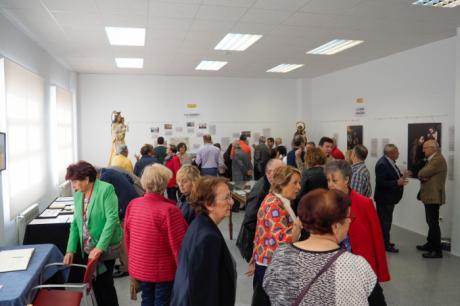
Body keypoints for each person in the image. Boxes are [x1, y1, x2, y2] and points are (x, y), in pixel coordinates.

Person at [264, 189, 378, 305]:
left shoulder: (281, 256)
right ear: (336, 226)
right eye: (348, 218)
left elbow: (268, 295)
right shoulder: (357, 266)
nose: (349, 222)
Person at [325, 160, 390, 305]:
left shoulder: (364, 203)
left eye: (334, 180)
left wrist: (379, 270)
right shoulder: (325, 203)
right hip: (335, 265)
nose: (330, 184)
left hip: (361, 262)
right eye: (328, 180)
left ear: (346, 179)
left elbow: (377, 238)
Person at [124, 164, 188, 306]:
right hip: (163, 271)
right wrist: (186, 274)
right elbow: (179, 247)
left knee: (147, 299)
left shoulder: (133, 205)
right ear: (164, 184)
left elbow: (128, 239)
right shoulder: (169, 210)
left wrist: (132, 265)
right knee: (162, 302)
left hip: (141, 268)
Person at [170, 176, 237, 306]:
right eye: (226, 198)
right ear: (208, 204)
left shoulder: (199, 224)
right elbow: (205, 293)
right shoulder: (208, 238)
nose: (232, 202)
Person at [64, 161, 122, 306]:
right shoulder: (78, 195)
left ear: (87, 179)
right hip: (89, 248)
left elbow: (112, 220)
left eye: (75, 181)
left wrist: (100, 247)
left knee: (105, 284)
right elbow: (75, 224)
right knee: (95, 285)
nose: (73, 185)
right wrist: (70, 250)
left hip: (106, 247)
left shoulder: (106, 189)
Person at [250, 165, 302, 306]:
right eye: (295, 183)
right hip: (271, 266)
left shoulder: (276, 200)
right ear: (282, 183)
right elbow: (283, 240)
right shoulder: (275, 205)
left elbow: (261, 233)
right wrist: (298, 225)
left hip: (269, 263)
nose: (299, 187)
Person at [236, 159, 284, 262]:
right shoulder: (260, 190)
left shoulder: (269, 185)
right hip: (255, 243)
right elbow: (250, 219)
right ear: (269, 173)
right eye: (280, 171)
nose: (283, 174)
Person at [98, 167, 140, 278]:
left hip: (124, 206)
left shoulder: (105, 177)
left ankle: (126, 268)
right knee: (125, 239)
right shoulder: (111, 171)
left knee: (122, 241)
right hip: (131, 203)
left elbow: (102, 196)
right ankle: (127, 264)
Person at [374, 144, 408, 253]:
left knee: (386, 221)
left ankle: (385, 241)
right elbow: (380, 183)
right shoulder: (383, 164)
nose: (398, 153)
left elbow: (392, 176)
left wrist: (402, 177)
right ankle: (385, 244)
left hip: (389, 198)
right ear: (391, 153)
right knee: (385, 222)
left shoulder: (389, 162)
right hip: (384, 198)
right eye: (397, 151)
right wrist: (397, 182)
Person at [416, 139, 447, 258]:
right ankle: (430, 244)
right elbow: (423, 175)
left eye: (425, 148)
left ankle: (437, 250)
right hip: (430, 195)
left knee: (433, 223)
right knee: (431, 222)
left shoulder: (437, 159)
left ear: (433, 148)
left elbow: (421, 173)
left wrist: (422, 176)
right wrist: (423, 176)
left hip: (433, 196)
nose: (423, 150)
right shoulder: (433, 159)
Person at [293, 147, 328, 215]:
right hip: (325, 207)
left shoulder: (306, 173)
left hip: (309, 209)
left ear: (308, 158)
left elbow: (300, 193)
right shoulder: (328, 172)